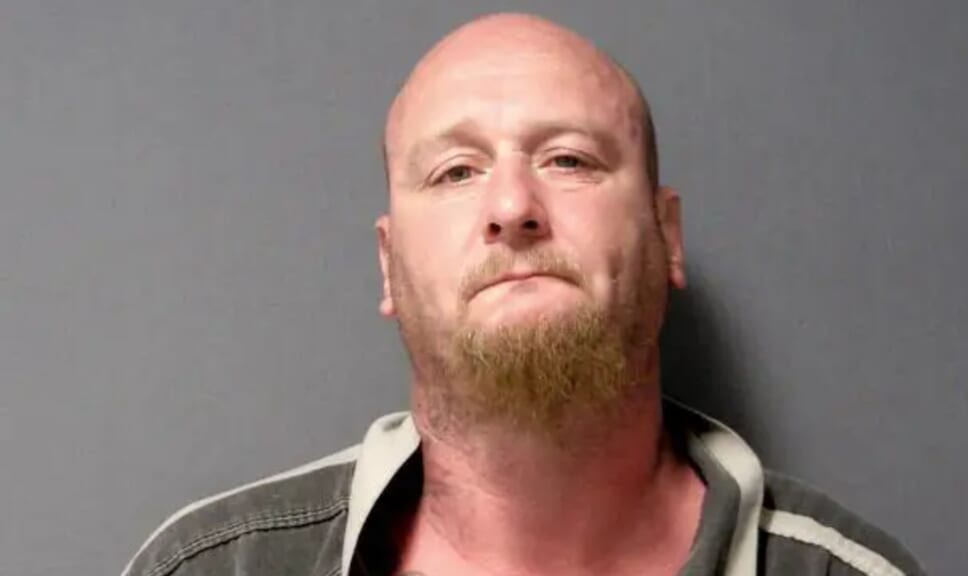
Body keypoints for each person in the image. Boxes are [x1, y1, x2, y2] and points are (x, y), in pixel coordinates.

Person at [122, 12, 924, 576]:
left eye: (569, 160)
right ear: (389, 264)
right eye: (455, 172)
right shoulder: (210, 570)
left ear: (666, 233)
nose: (512, 207)